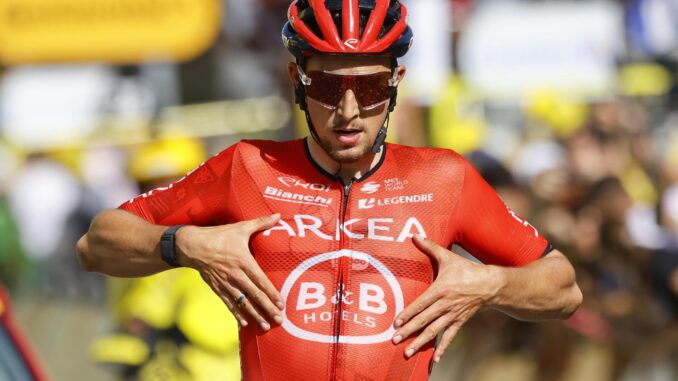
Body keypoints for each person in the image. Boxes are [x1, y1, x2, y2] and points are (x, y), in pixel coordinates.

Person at [76, 1, 582, 380]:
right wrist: (184, 245)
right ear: (297, 80)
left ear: (395, 82)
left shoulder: (444, 178)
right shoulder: (247, 167)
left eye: (368, 89)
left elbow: (564, 286)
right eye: (325, 88)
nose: (347, 112)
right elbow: (97, 243)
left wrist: (490, 284)